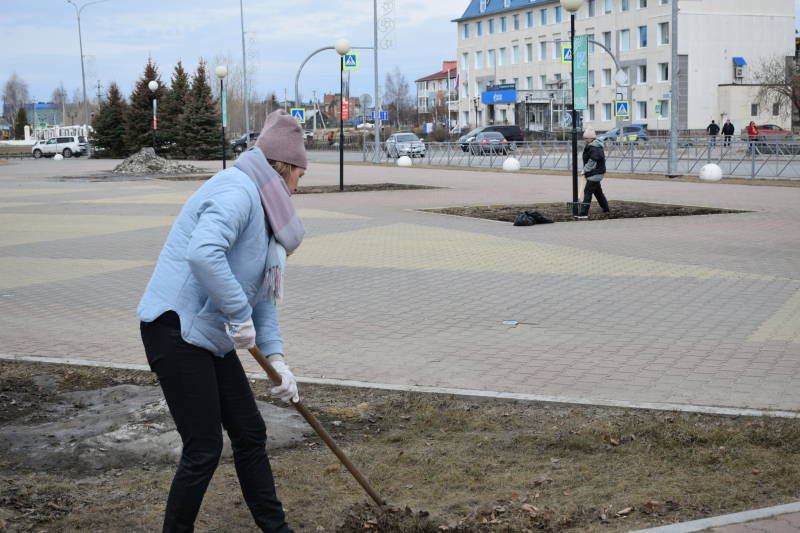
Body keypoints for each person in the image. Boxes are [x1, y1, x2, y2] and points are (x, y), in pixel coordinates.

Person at [137, 108, 307, 533]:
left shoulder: (266, 213)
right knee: (205, 447)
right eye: (300, 175)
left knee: (249, 432)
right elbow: (203, 253)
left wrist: (277, 358)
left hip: (210, 336)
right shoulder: (238, 189)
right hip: (174, 329)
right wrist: (237, 315)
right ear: (284, 167)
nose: (300, 186)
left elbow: (260, 297)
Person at [576, 125, 610, 219]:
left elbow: (592, 162)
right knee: (598, 192)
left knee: (588, 191)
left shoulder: (596, 148)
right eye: (585, 138)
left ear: (592, 138)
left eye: (587, 138)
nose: (585, 140)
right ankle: (606, 209)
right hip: (593, 172)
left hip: (596, 173)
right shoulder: (591, 146)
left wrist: (585, 169)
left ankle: (584, 213)